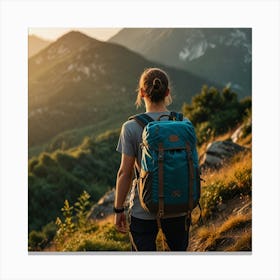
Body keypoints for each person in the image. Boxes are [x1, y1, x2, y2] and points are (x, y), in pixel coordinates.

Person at [114, 67, 192, 251]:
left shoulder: (131, 127)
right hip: (179, 204)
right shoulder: (184, 124)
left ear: (142, 93)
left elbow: (125, 173)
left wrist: (118, 209)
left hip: (143, 208)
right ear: (167, 93)